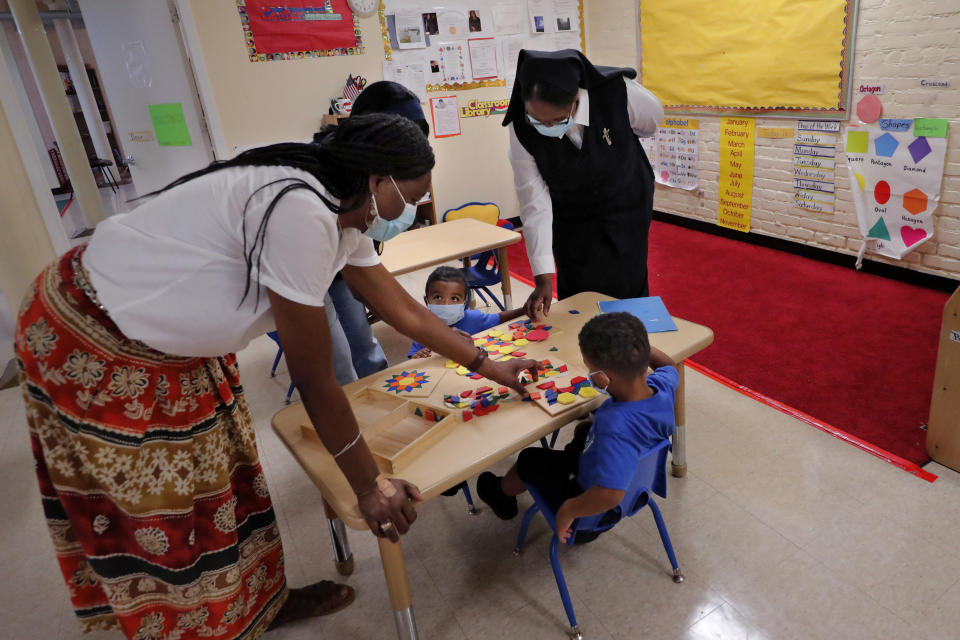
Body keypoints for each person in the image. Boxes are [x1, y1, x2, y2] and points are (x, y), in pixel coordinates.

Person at [15, 113, 539, 639]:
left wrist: (494, 368)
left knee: (225, 485)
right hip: (99, 335)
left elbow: (409, 314)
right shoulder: (301, 213)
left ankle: (259, 603)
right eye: (413, 196)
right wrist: (369, 486)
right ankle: (190, 628)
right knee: (160, 510)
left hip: (173, 346)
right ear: (377, 181)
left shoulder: (345, 209)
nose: (418, 209)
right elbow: (314, 379)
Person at [476, 312, 678, 544]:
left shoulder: (614, 425)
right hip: (637, 483)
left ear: (604, 377)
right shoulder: (662, 385)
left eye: (590, 370)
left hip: (588, 517)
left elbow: (611, 493)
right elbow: (669, 365)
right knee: (584, 429)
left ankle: (500, 496)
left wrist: (569, 510)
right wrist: (636, 345)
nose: (590, 375)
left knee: (529, 458)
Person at [502, 49, 664, 320]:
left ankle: (631, 347)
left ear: (577, 96)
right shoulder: (520, 126)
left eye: (557, 119)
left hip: (625, 199)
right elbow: (534, 201)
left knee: (627, 278)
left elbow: (651, 122)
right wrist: (542, 275)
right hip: (571, 210)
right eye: (538, 120)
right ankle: (582, 351)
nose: (547, 126)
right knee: (576, 281)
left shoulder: (617, 91)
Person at [312, 81, 433, 384]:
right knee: (332, 356)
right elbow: (311, 372)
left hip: (338, 263)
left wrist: (441, 336)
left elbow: (387, 300)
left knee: (361, 342)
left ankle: (378, 394)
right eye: (408, 196)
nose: (410, 208)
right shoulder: (316, 203)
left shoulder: (359, 209)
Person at [408, 266, 526, 358]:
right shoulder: (422, 329)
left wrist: (524, 310)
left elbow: (499, 318)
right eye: (438, 297)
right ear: (426, 300)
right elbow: (413, 360)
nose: (446, 304)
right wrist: (418, 355)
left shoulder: (474, 318)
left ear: (464, 302)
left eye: (454, 299)